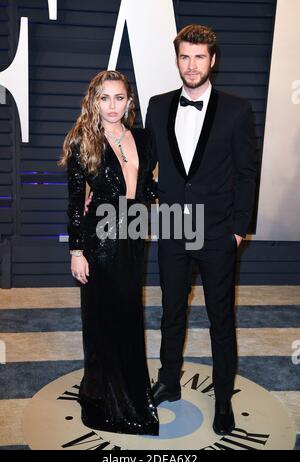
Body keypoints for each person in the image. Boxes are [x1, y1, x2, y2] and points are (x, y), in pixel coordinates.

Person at [145, 24, 257, 435]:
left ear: (212, 60)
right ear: (176, 60)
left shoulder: (236, 109)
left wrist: (238, 230)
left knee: (220, 318)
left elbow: (247, 173)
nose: (191, 66)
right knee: (171, 312)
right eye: (184, 57)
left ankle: (223, 398)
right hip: (174, 228)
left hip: (217, 232)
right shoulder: (157, 106)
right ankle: (168, 381)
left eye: (199, 57)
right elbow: (143, 164)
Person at [58, 70, 159, 436]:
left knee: (129, 314)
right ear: (94, 101)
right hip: (100, 238)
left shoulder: (145, 140)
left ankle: (130, 387)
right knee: (102, 318)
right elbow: (73, 203)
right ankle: (103, 394)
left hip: (133, 235)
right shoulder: (82, 141)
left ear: (129, 101)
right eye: (105, 98)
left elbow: (145, 187)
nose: (112, 105)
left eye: (119, 97)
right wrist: (76, 250)